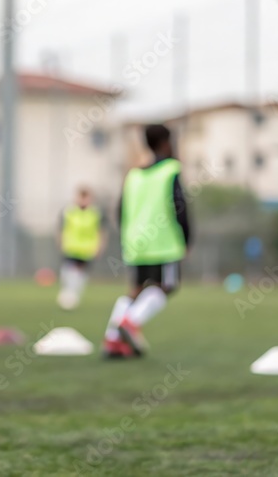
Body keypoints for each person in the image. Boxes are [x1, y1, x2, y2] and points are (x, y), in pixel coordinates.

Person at [102, 124, 190, 359]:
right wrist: (186, 237)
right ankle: (130, 323)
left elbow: (120, 209)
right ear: (165, 143)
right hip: (163, 242)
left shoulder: (133, 175)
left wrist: (128, 235)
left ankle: (113, 339)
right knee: (166, 287)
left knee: (136, 291)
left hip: (135, 241)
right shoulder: (170, 170)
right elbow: (179, 206)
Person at [56, 186, 107, 310]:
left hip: (87, 249)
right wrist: (61, 243)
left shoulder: (96, 213)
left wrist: (100, 246)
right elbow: (61, 229)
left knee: (80, 274)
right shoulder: (68, 211)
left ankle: (73, 297)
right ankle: (68, 295)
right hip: (71, 247)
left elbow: (101, 231)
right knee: (68, 272)